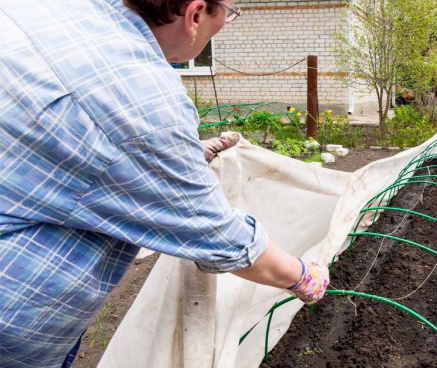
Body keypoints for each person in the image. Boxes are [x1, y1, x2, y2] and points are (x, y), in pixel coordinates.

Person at [0, 1, 329, 367]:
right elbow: (219, 236)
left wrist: (175, 158)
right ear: (195, 14)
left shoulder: (51, 12)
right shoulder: (146, 99)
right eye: (229, 14)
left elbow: (67, 140)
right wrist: (301, 276)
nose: (225, 23)